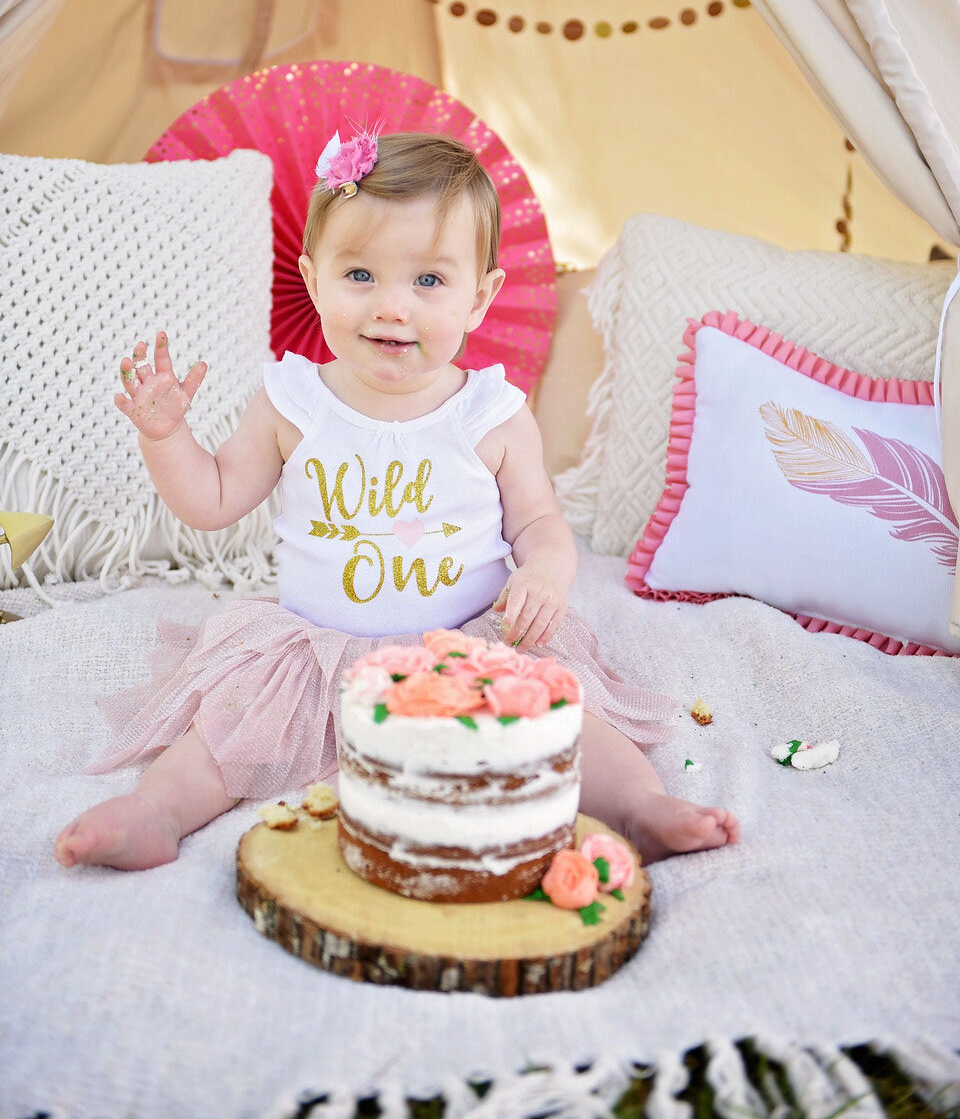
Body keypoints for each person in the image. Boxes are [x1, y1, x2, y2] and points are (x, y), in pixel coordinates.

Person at [54, 129, 740, 873]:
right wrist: (167, 438)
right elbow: (213, 501)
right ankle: (156, 812)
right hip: (318, 652)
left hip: (469, 644)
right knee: (227, 731)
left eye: (428, 282)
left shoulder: (491, 414)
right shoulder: (292, 402)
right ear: (314, 281)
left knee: (563, 718)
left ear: (481, 297)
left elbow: (541, 520)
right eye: (360, 274)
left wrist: (546, 574)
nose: (391, 308)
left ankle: (640, 807)